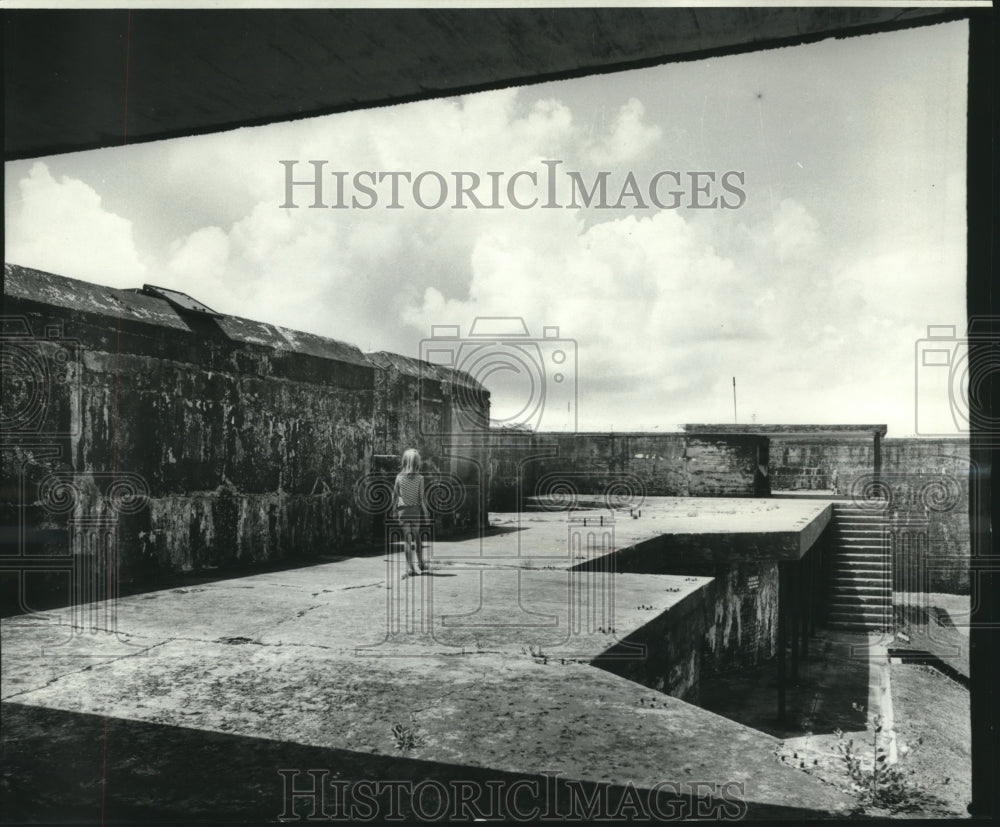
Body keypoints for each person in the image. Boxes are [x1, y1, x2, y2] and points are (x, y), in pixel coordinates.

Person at [393, 448, 430, 576]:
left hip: (403, 511)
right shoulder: (420, 478)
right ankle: (421, 563)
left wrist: (393, 510)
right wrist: (425, 512)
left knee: (407, 540)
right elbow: (421, 498)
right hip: (415, 511)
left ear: (404, 461)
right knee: (417, 537)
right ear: (417, 463)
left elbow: (396, 495)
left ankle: (410, 568)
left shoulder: (399, 477)